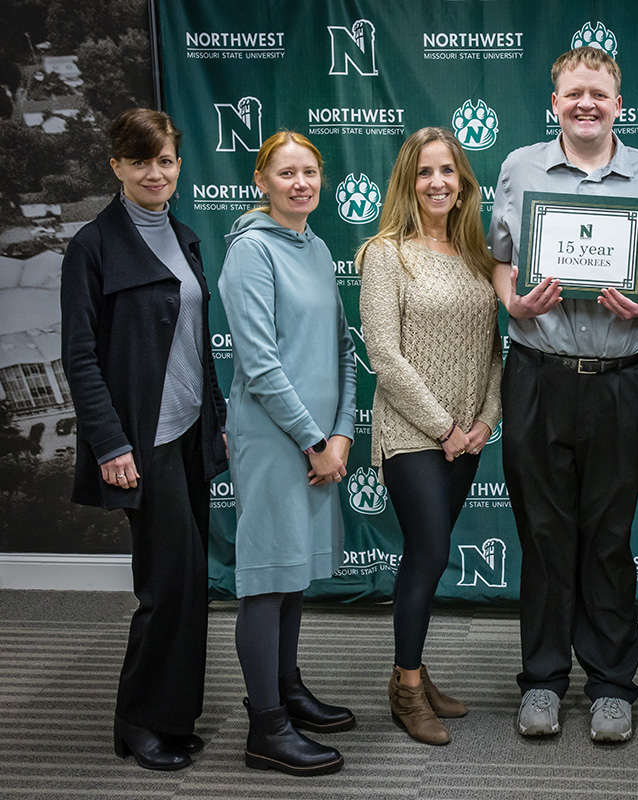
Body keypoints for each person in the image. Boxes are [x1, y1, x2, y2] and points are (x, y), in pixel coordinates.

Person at [488, 46, 638, 742]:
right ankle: (542, 679)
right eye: (574, 93)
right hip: (537, 375)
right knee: (543, 537)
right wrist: (512, 304)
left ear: (618, 104)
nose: (586, 104)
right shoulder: (519, 168)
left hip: (619, 384)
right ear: (555, 103)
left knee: (607, 538)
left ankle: (610, 684)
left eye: (598, 93)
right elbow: (502, 260)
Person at [60, 108, 227, 771]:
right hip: (140, 443)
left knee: (191, 583)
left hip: (187, 433)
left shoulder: (184, 239)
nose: (154, 173)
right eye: (140, 161)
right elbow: (80, 356)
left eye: (165, 161)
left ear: (178, 165)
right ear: (116, 166)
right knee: (164, 585)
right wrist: (110, 444)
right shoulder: (92, 246)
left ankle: (172, 717)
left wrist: (213, 416)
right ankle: (137, 723)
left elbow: (196, 345)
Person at [357, 127, 502, 746]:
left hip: (467, 434)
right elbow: (384, 356)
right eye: (424, 172)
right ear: (407, 183)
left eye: (448, 170)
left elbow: (496, 349)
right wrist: (443, 426)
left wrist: (484, 422)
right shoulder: (387, 253)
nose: (437, 182)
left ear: (464, 180)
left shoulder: (479, 256)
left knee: (432, 552)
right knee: (430, 553)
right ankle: (407, 690)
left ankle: (411, 671)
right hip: (413, 432)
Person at [219, 130, 358, 777]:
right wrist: (313, 440)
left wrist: (343, 435)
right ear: (261, 182)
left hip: (319, 442)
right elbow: (260, 363)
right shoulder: (251, 252)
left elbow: (344, 350)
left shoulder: (318, 245)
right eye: (286, 173)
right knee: (267, 583)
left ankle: (289, 690)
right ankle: (266, 728)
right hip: (276, 442)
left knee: (292, 575)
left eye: (310, 172)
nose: (300, 183)